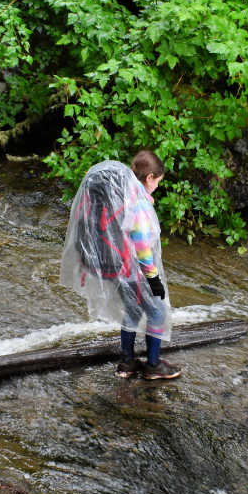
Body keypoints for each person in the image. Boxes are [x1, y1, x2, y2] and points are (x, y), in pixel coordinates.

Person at [60, 151, 181, 380]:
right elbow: (143, 250)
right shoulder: (137, 205)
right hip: (130, 268)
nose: (156, 186)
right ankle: (153, 366)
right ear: (150, 177)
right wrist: (154, 280)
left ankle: (127, 363)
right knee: (156, 312)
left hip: (111, 267)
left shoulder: (117, 190)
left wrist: (143, 198)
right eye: (157, 181)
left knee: (132, 309)